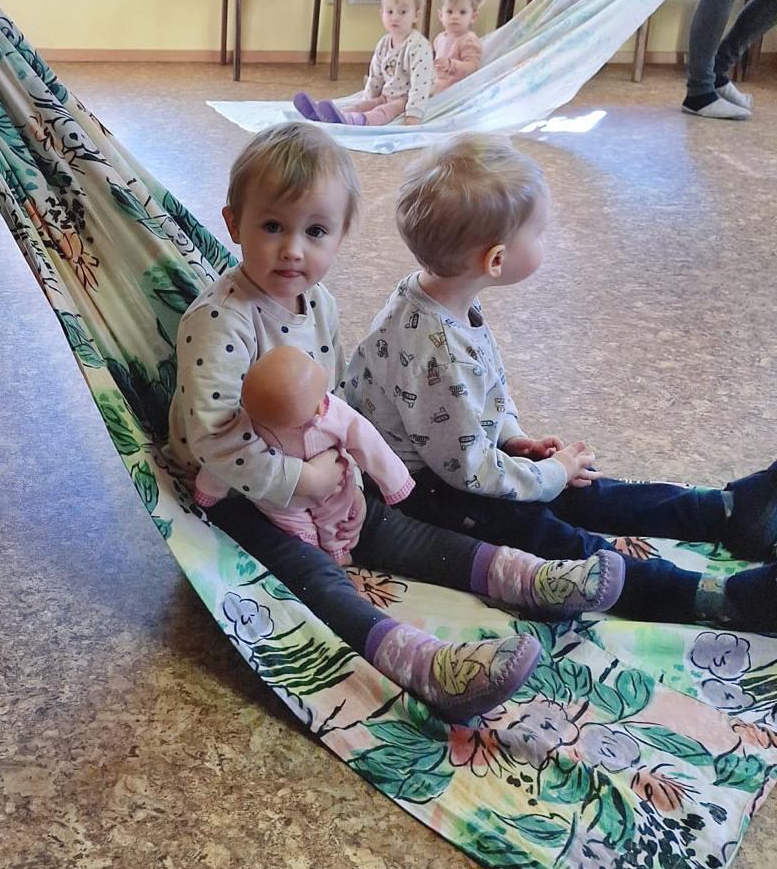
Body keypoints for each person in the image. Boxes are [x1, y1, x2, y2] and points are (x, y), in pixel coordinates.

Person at [167, 123, 627, 726]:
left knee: (395, 529)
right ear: (233, 224)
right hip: (235, 492)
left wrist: (339, 468)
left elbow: (327, 399)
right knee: (312, 577)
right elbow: (214, 438)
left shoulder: (319, 303)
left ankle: (531, 579)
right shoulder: (217, 323)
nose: (293, 250)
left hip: (317, 471)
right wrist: (302, 482)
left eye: (315, 231)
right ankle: (426, 666)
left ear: (340, 235)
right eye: (272, 226)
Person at [344, 135, 777, 629]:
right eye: (541, 233)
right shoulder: (438, 351)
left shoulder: (434, 296)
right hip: (424, 492)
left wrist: (513, 438)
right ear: (496, 261)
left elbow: (478, 400)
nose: (546, 242)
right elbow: (468, 471)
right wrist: (547, 474)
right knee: (551, 536)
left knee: (584, 488)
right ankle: (719, 599)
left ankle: (727, 511)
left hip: (455, 462)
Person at [193, 344, 415, 566]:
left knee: (338, 516)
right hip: (282, 499)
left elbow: (368, 442)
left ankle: (337, 552)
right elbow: (226, 464)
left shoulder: (335, 412)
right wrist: (209, 491)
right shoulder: (250, 426)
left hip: (335, 488)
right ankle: (315, 553)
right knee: (296, 530)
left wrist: (394, 482)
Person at [292, 0, 435, 128]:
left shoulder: (418, 46)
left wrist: (414, 114)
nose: (395, 17)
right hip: (387, 95)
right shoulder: (384, 43)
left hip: (405, 98)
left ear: (416, 15)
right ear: (382, 14)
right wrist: (368, 100)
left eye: (402, 12)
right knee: (361, 106)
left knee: (382, 111)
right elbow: (376, 76)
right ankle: (328, 116)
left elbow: (420, 84)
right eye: (390, 12)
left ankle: (355, 120)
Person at [431, 0, 484, 91]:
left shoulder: (468, 40)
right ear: (440, 15)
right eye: (449, 12)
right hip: (439, 86)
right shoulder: (440, 38)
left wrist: (452, 65)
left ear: (473, 16)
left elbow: (472, 67)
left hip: (458, 91)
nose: (455, 17)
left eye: (462, 12)